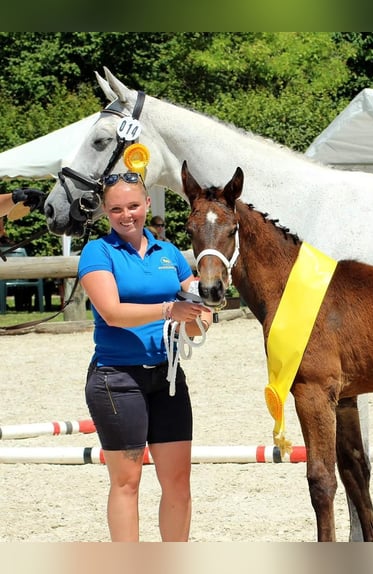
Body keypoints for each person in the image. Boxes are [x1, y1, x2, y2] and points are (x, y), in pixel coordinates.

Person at [78, 171, 213, 541]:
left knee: (178, 482)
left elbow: (198, 310)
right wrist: (170, 310)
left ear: (147, 204)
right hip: (117, 379)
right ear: (106, 212)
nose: (127, 215)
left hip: (168, 376)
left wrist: (200, 318)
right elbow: (112, 313)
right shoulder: (98, 252)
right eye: (117, 209)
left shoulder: (169, 254)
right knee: (127, 482)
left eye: (133, 206)